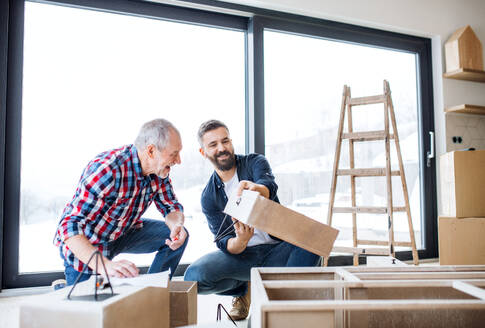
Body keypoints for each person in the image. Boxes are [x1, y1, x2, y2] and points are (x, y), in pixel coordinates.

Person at [184, 119, 319, 320]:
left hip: (278, 250)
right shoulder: (208, 197)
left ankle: (283, 301)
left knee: (313, 237)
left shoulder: (254, 162)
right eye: (213, 145)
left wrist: (258, 189)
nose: (222, 148)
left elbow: (268, 184)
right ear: (203, 152)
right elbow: (223, 242)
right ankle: (243, 289)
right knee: (193, 277)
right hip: (244, 257)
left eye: (225, 141)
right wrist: (241, 242)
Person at [54, 118, 189, 285]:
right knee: (88, 306)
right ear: (151, 151)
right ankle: (63, 288)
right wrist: (105, 266)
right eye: (174, 153)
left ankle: (153, 289)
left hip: (122, 232)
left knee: (178, 236)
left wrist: (176, 226)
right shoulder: (107, 170)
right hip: (89, 244)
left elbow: (170, 206)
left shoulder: (159, 170)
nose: (178, 160)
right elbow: (68, 226)